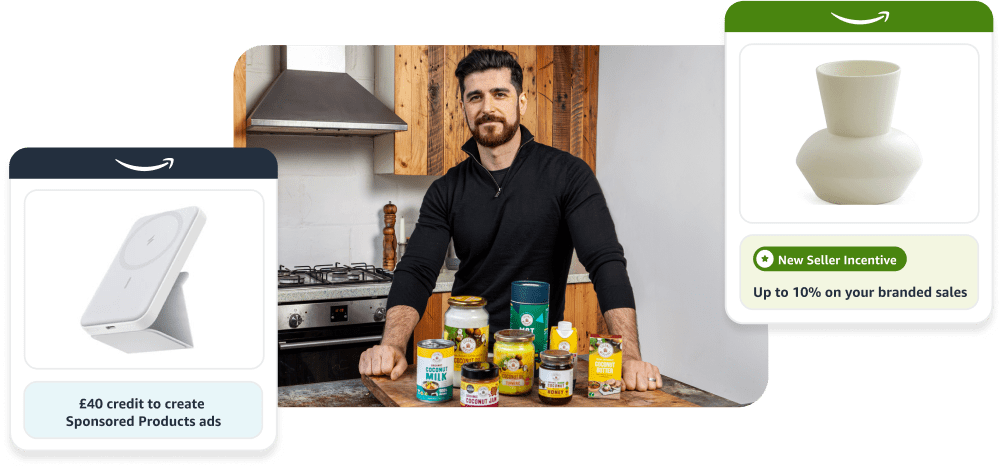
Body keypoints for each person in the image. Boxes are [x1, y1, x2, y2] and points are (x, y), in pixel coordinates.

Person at [359, 49, 663, 392]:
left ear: (521, 102)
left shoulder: (568, 175)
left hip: (539, 368)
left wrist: (633, 357)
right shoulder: (446, 189)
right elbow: (416, 271)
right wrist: (393, 345)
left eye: (499, 94)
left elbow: (605, 261)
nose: (487, 107)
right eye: (475, 97)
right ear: (463, 108)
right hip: (467, 361)